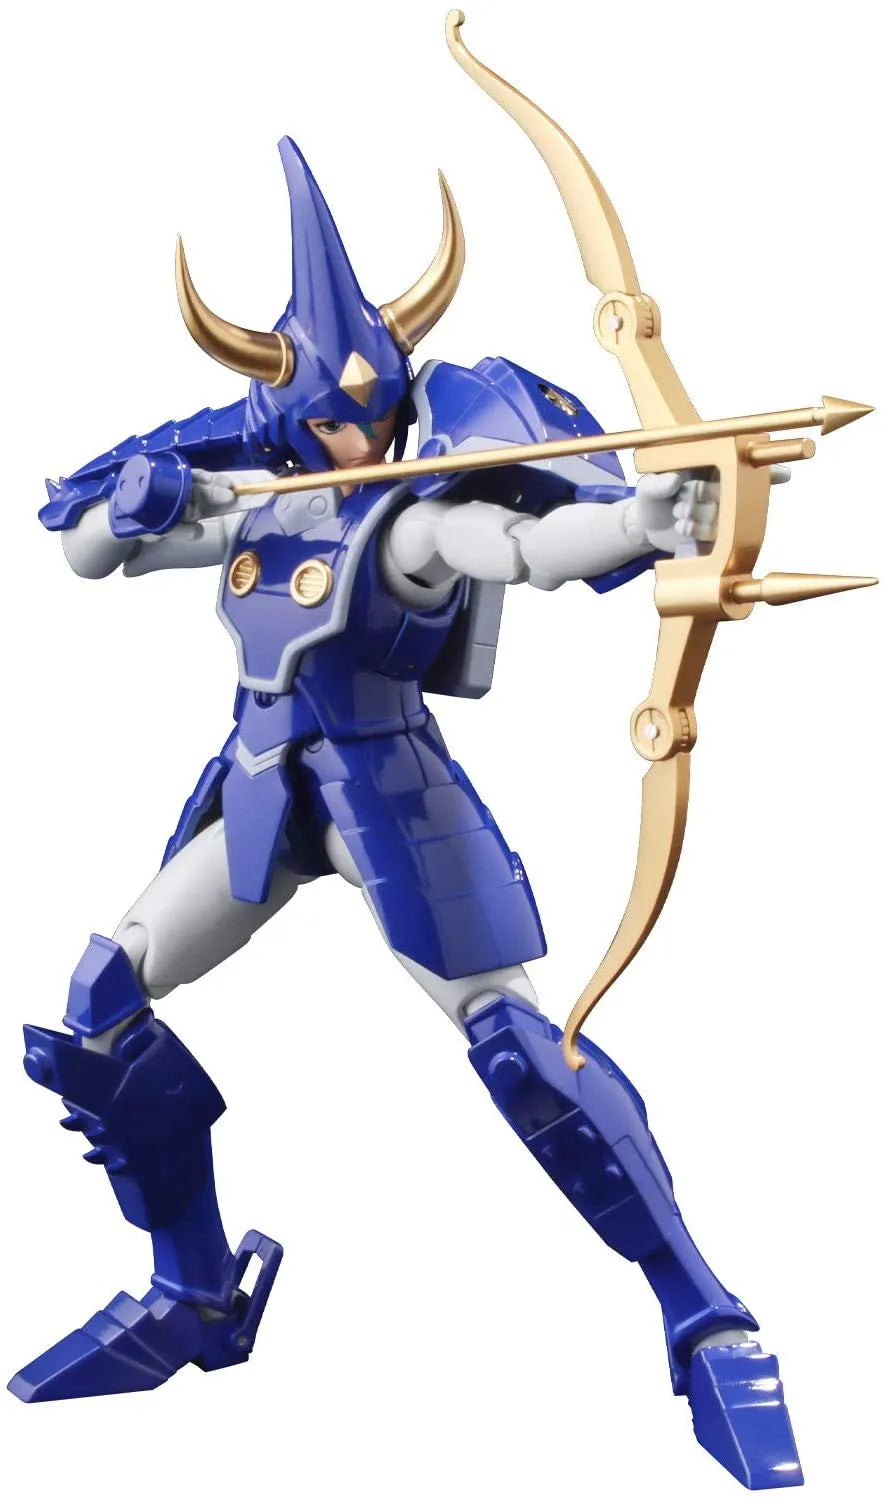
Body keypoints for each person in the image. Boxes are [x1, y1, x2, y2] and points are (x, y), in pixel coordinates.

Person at [10, 135, 799, 1491]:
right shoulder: (250, 503)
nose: (359, 440)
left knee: (518, 1048)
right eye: (332, 421)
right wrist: (139, 501)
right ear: (286, 414)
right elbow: (86, 550)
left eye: (374, 416)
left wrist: (650, 522)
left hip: (389, 798)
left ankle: (707, 1316)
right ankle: (197, 1291)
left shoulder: (411, 519)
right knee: (100, 1007)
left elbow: (521, 544)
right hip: (260, 795)